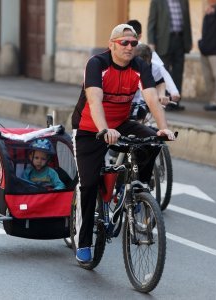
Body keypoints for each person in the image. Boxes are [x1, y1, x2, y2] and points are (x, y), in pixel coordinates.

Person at [71, 24, 176, 263]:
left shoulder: (140, 66)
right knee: (88, 186)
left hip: (120, 123)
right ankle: (84, 241)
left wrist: (163, 128)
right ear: (112, 45)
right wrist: (104, 129)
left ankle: (137, 187)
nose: (130, 47)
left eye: (133, 43)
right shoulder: (97, 64)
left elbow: (151, 97)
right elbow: (95, 100)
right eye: (124, 43)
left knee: (152, 141)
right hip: (90, 129)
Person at [147, 0, 192, 111]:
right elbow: (151, 21)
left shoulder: (183, 1)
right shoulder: (157, 2)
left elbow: (187, 21)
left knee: (178, 71)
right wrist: (151, 42)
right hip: (163, 41)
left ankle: (175, 101)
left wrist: (189, 42)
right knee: (164, 71)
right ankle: (165, 101)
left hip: (180, 40)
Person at [127, 19, 180, 102]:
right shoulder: (121, 49)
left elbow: (161, 70)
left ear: (139, 36)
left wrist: (173, 91)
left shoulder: (146, 50)